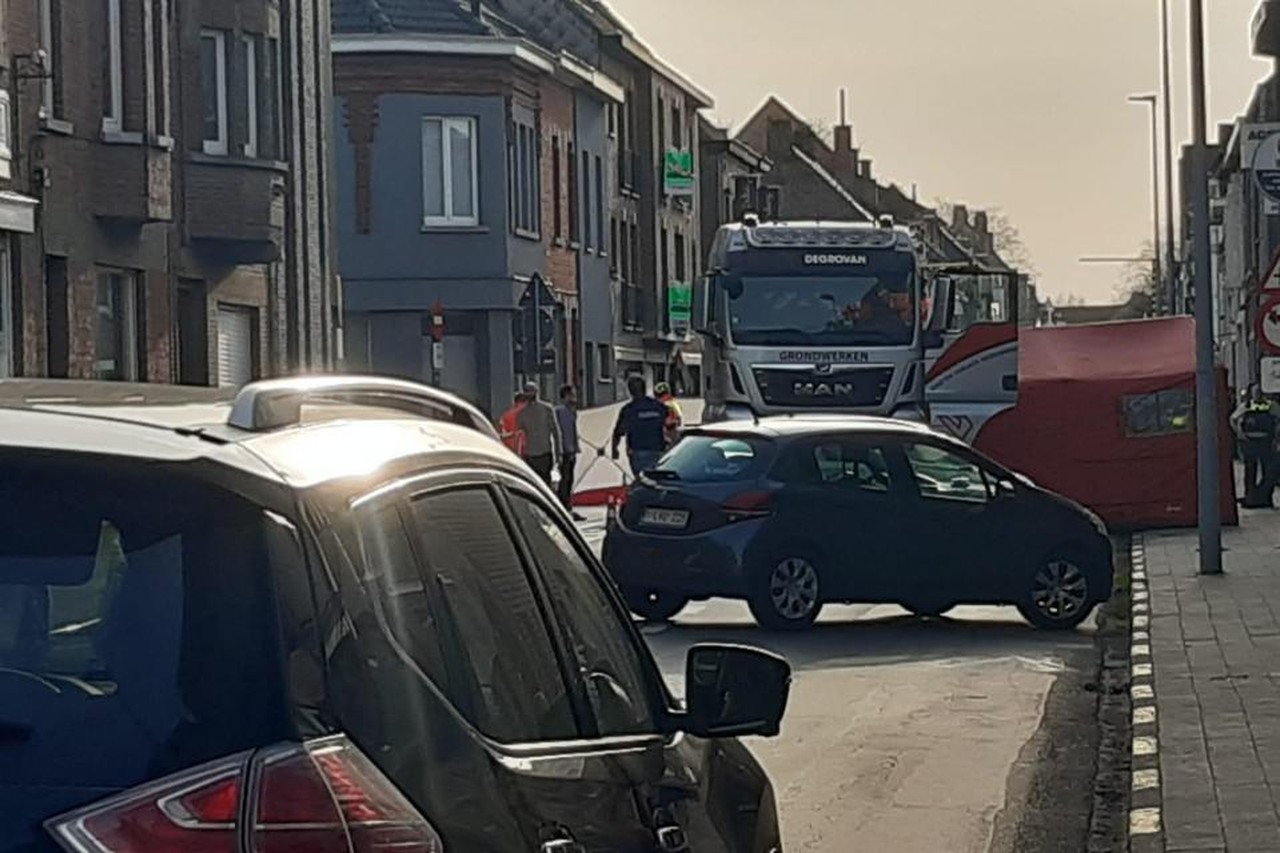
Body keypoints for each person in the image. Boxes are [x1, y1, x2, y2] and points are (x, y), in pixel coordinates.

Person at [607, 375, 668, 475]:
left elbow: (619, 431)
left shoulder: (628, 410)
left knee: (642, 481)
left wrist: (614, 449)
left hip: (638, 452)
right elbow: (671, 425)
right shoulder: (659, 407)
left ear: (630, 391)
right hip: (659, 451)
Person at [1231, 386, 1279, 508]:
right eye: (1255, 392)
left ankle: (1265, 498)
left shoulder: (1271, 405)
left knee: (1267, 471)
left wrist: (1276, 437)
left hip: (1266, 441)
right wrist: (1240, 434)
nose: (1257, 394)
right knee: (1250, 471)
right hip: (1250, 442)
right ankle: (1250, 497)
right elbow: (1233, 419)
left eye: (1259, 391)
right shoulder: (1246, 405)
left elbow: (1278, 420)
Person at [516, 381, 561, 487]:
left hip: (533, 454)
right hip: (541, 454)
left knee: (535, 484)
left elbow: (519, 438)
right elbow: (555, 432)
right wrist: (559, 453)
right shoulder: (546, 409)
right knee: (544, 484)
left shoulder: (522, 414)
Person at [554, 385, 583, 516]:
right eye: (572, 395)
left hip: (568, 450)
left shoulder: (570, 411)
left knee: (568, 479)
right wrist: (568, 450)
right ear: (565, 396)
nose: (574, 398)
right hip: (566, 452)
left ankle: (566, 505)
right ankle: (564, 506)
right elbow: (565, 433)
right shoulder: (563, 412)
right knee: (566, 479)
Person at [497, 391, 528, 457]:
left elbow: (502, 434)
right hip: (527, 448)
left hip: (510, 449)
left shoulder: (506, 415)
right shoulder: (528, 411)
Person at [655, 381, 683, 449]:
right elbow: (679, 419)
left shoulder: (671, 404)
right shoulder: (674, 403)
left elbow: (678, 420)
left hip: (669, 435)